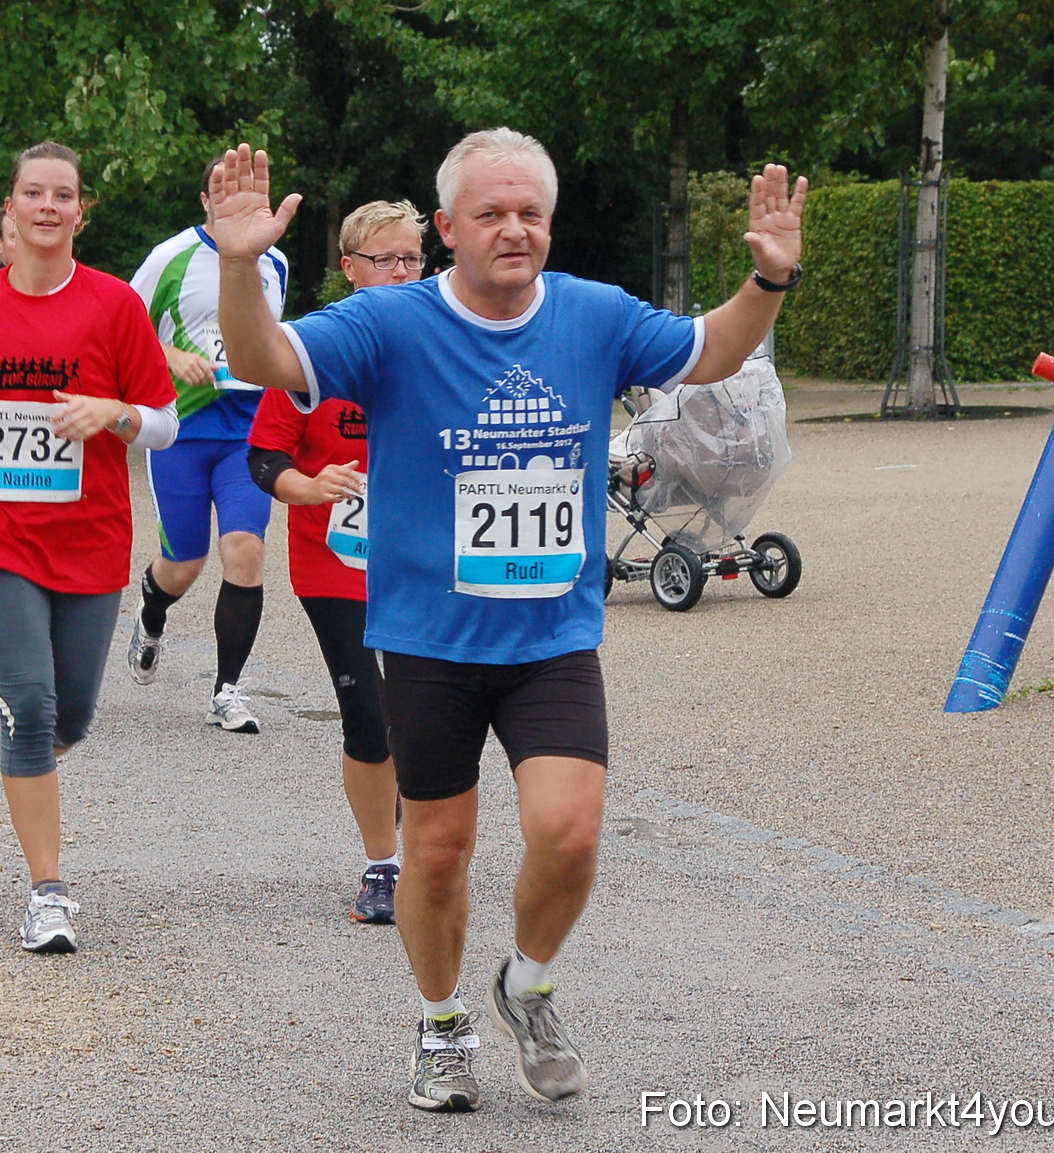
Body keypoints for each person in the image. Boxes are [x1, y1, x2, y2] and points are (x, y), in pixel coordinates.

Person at [209, 133, 804, 1111]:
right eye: (489, 213)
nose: (512, 228)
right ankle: (442, 1023)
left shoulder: (594, 314)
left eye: (528, 211)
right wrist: (240, 264)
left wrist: (766, 278)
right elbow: (258, 355)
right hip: (429, 640)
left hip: (551, 637)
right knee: (437, 851)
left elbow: (713, 349)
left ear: (549, 222)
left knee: (568, 833)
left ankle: (525, 986)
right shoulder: (389, 322)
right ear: (447, 229)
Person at [0, 141, 178, 954]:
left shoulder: (113, 307)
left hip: (90, 539)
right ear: (9, 212)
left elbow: (162, 419)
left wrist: (115, 414)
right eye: (34, 193)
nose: (49, 206)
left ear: (79, 212)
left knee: (74, 716)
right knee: (31, 708)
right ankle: (48, 892)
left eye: (64, 195)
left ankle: (27, 717)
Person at [247, 200, 428, 925]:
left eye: (412, 258)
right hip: (335, 559)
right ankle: (382, 862)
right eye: (384, 259)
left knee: (423, 713)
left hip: (420, 559)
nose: (401, 272)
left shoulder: (443, 339)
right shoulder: (316, 346)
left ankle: (428, 839)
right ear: (349, 268)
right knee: (367, 716)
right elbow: (265, 458)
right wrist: (307, 486)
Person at [126, 159, 289, 734]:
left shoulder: (276, 262)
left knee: (245, 551)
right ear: (205, 202)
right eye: (224, 198)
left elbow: (269, 336)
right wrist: (170, 358)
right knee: (185, 561)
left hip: (247, 432)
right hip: (182, 430)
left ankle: (228, 690)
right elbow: (122, 327)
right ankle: (150, 609)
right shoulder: (170, 257)